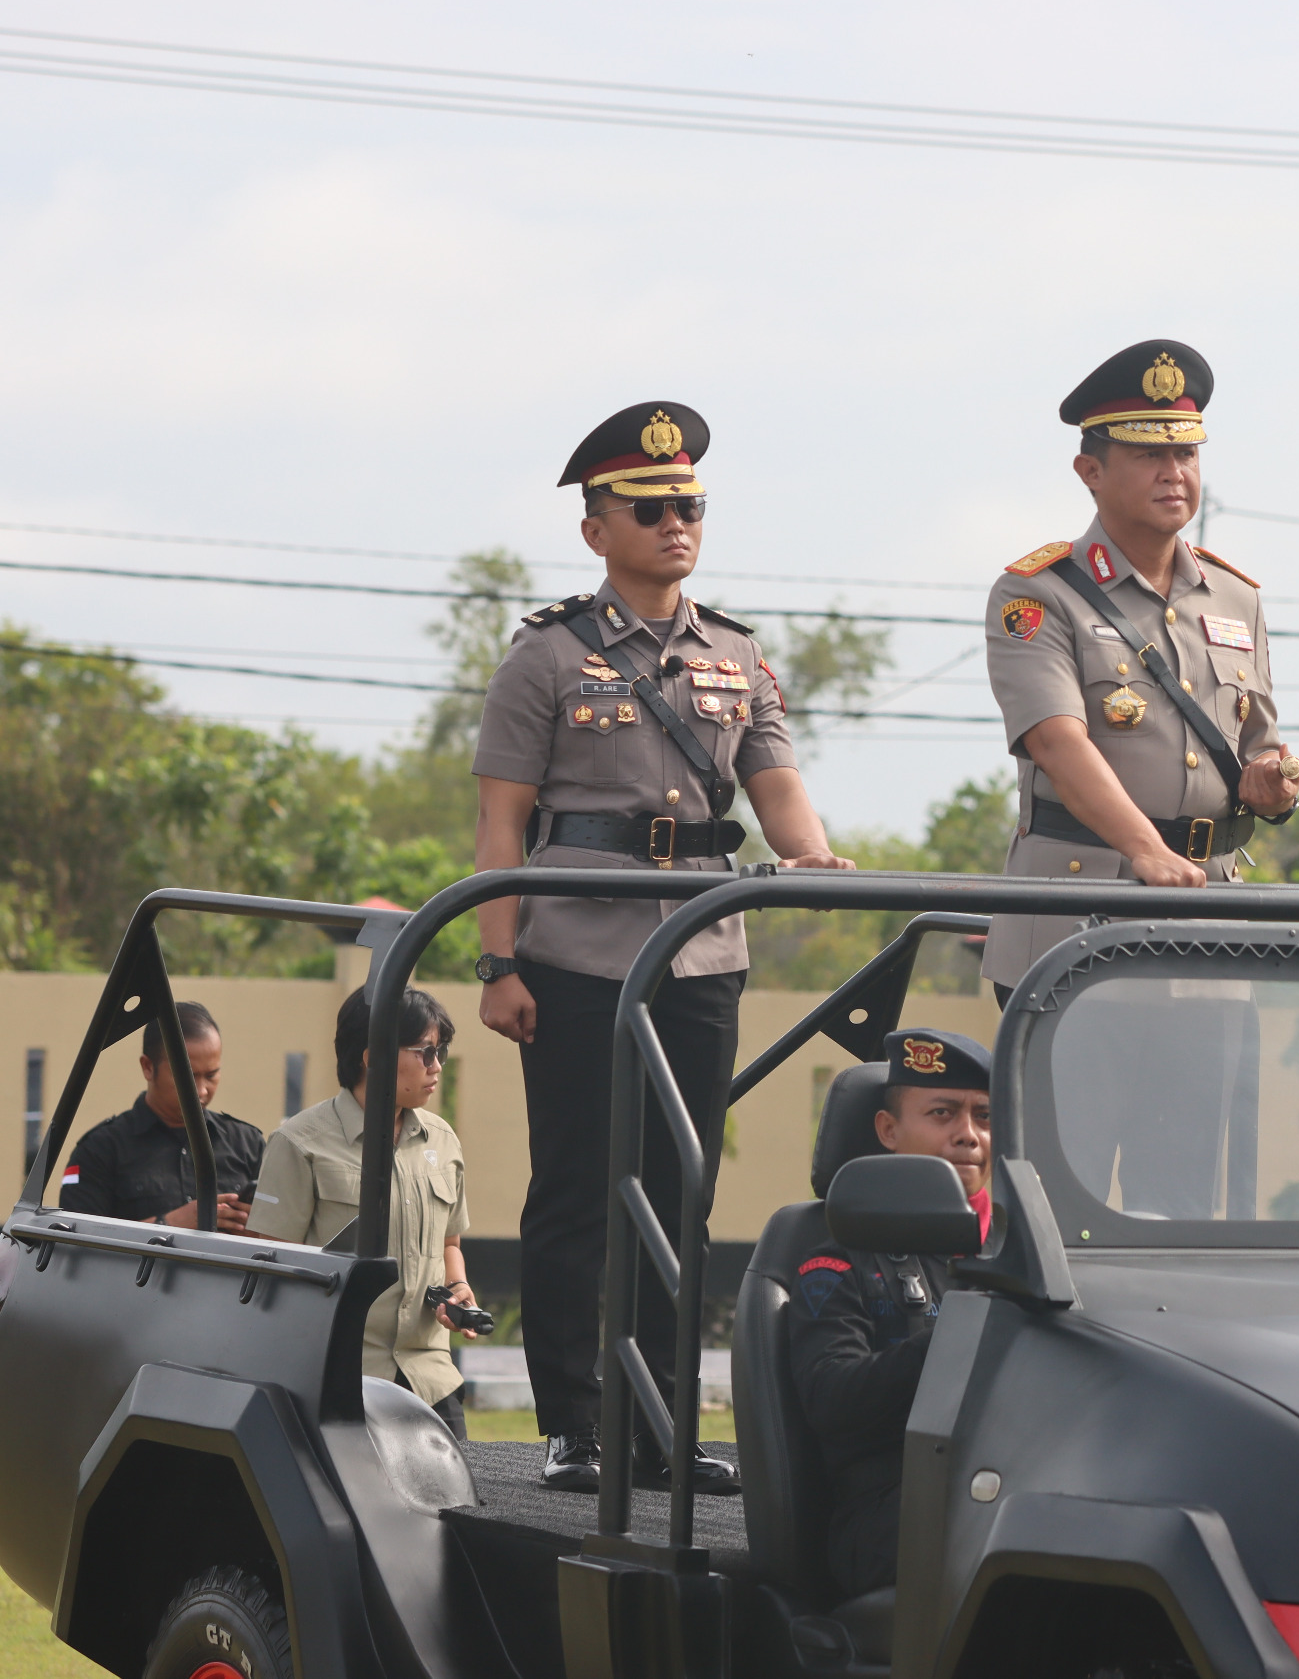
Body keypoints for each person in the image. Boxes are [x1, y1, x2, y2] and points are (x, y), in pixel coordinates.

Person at [470, 400, 856, 1494]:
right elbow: (503, 824)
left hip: (699, 950)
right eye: (650, 507)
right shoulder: (545, 654)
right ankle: (578, 1426)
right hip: (576, 952)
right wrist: (499, 964)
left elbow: (777, 785)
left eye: (688, 504)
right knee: (582, 1192)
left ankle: (664, 1426)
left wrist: (814, 856)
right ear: (596, 528)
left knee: (678, 1193)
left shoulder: (736, 652)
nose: (676, 522)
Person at [978, 339, 1299, 1002]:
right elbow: (1055, 741)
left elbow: (1257, 747)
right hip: (1079, 923)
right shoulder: (1037, 594)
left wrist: (1272, 783)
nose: (1173, 472)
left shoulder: (1238, 598)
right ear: (1089, 471)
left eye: (1185, 453)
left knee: (1212, 1111)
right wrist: (1146, 850)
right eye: (1149, 454)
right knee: (1075, 1110)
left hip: (1212, 930)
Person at [789, 1030, 993, 1603]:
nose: (969, 1135)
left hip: (1003, 1487)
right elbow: (832, 1401)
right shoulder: (836, 1259)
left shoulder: (1021, 1256)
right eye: (943, 1113)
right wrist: (957, 1336)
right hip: (891, 1512)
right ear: (888, 1131)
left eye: (983, 1116)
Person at [248, 989, 480, 1440]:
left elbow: (450, 1243)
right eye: (426, 1052)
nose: (437, 1067)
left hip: (431, 1379)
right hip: (341, 1379)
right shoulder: (300, 1142)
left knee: (456, 1509)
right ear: (374, 1058)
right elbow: (271, 1263)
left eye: (442, 1052)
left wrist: (459, 1289)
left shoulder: (442, 1139)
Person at [60, 1002, 262, 1230]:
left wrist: (256, 1232)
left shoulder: (248, 1145)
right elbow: (74, 1248)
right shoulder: (100, 1150)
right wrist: (169, 1224)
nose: (201, 1091)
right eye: (187, 1077)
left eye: (212, 1075)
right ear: (148, 1067)